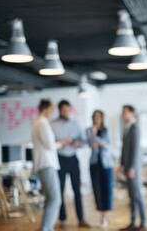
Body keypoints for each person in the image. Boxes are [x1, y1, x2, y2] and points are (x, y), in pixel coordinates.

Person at [51, 100, 89, 228]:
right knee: (60, 190)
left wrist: (76, 143)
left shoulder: (75, 124)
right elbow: (50, 143)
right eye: (63, 110)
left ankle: (81, 218)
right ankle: (62, 219)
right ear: (59, 110)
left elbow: (83, 141)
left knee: (77, 190)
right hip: (59, 159)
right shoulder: (52, 124)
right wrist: (60, 142)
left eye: (67, 110)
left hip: (73, 158)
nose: (65, 112)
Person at [32, 99, 66, 231]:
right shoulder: (42, 123)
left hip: (43, 164)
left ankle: (46, 227)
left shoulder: (37, 122)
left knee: (50, 199)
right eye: (52, 110)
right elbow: (50, 145)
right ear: (46, 109)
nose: (53, 113)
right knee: (55, 199)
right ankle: (46, 228)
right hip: (47, 164)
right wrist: (62, 143)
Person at [119, 105, 147, 231]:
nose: (123, 115)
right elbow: (124, 149)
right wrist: (122, 165)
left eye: (125, 112)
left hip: (133, 169)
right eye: (122, 113)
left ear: (132, 113)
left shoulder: (134, 128)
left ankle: (143, 223)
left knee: (137, 196)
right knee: (131, 196)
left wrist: (131, 168)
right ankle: (132, 222)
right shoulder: (127, 128)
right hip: (127, 168)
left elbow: (135, 150)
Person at [86, 110, 113, 228]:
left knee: (106, 188)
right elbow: (92, 145)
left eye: (99, 117)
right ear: (93, 118)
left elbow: (108, 145)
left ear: (102, 118)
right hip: (94, 163)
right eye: (95, 117)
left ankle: (105, 216)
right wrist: (96, 138)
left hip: (106, 163)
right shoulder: (89, 130)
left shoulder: (106, 130)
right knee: (97, 189)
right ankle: (101, 215)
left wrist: (98, 142)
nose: (97, 119)